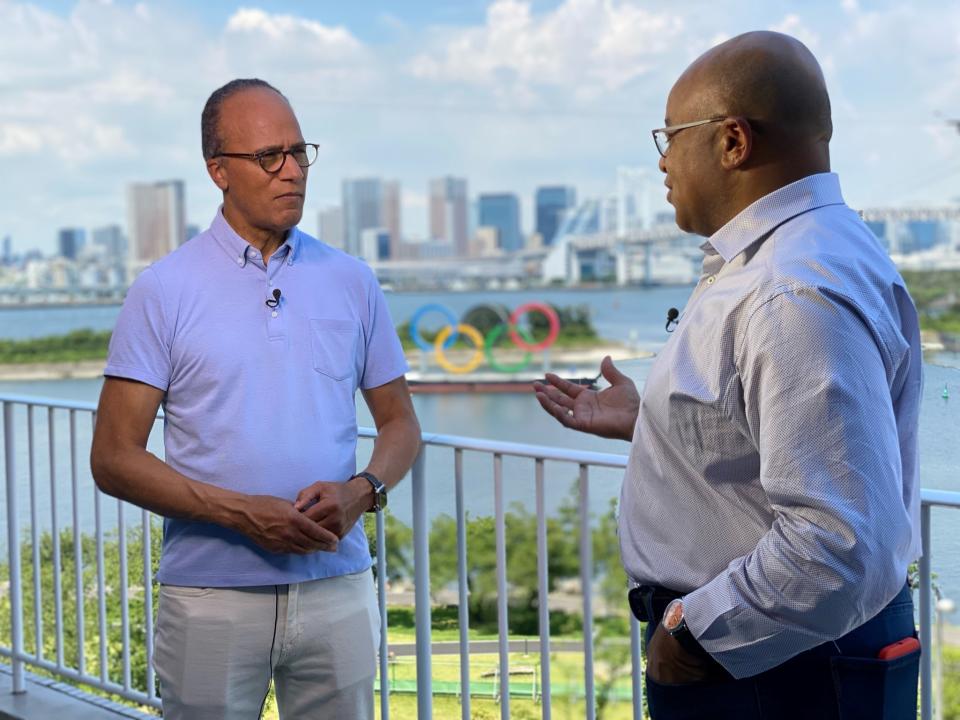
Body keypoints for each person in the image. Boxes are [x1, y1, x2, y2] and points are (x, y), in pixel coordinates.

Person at [534, 31, 922, 719]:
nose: (661, 163)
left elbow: (835, 544)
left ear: (732, 142)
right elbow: (774, 434)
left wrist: (692, 636)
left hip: (772, 670)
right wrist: (656, 421)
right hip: (778, 660)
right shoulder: (799, 255)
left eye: (669, 136)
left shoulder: (790, 291)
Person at [90, 78, 421, 719]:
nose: (292, 171)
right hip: (210, 596)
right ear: (219, 171)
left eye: (300, 152)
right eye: (270, 156)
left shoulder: (352, 280)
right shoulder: (162, 290)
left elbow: (400, 423)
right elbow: (112, 458)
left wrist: (364, 491)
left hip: (338, 585)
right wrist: (242, 514)